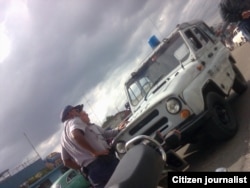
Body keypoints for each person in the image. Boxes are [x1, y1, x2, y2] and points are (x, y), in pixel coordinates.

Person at [60, 104, 125, 188]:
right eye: (76, 110)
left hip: (91, 172)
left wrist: (81, 167)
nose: (77, 112)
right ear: (70, 113)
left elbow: (66, 161)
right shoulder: (74, 121)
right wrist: (94, 152)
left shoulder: (62, 138)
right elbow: (76, 135)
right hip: (103, 163)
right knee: (125, 180)